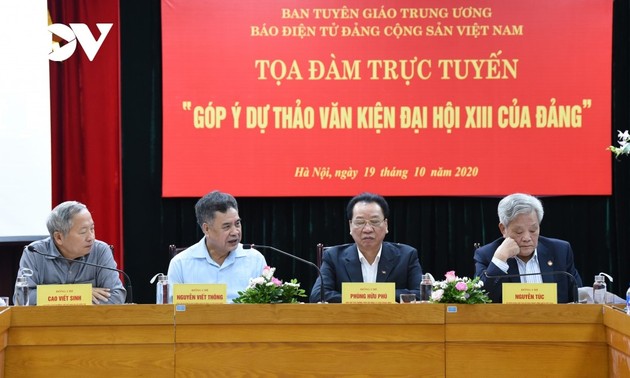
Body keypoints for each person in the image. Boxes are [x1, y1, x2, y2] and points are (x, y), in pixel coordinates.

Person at [310, 192, 423, 303]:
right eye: (360, 222)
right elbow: (317, 296)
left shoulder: (407, 256)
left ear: (386, 225)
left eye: (374, 221)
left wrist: (371, 296)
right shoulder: (333, 257)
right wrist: (372, 297)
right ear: (350, 226)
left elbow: (421, 294)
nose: (367, 229)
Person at [474, 193, 582, 303]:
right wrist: (500, 259)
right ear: (503, 229)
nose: (527, 238)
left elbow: (579, 297)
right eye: (519, 232)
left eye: (533, 230)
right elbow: (480, 300)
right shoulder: (486, 255)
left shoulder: (560, 251)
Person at [14, 201, 127, 305]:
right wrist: (79, 294)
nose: (91, 237)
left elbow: (116, 297)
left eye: (92, 229)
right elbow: (22, 298)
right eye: (83, 232)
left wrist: (53, 297)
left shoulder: (100, 250)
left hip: (89, 324)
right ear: (59, 237)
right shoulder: (34, 253)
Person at [167, 190, 267, 303]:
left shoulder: (255, 260)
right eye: (226, 226)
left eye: (237, 223)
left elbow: (265, 310)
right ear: (207, 229)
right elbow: (172, 313)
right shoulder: (181, 264)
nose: (235, 232)